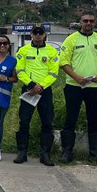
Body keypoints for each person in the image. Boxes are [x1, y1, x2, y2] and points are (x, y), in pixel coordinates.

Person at [58, 12, 97, 166]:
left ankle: (94, 154)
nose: (88, 23)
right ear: (80, 22)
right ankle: (67, 151)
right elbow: (63, 62)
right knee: (70, 118)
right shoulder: (71, 39)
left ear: (95, 23)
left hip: (95, 87)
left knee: (94, 119)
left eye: (91, 21)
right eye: (85, 21)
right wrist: (77, 78)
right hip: (74, 86)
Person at [13, 26, 60, 166]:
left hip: (44, 91)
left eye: (40, 33)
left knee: (47, 122)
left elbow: (54, 72)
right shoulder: (23, 50)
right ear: (31, 34)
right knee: (24, 121)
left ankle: (45, 154)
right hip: (29, 89)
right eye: (35, 33)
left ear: (45, 34)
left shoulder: (52, 51)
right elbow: (20, 70)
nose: (38, 35)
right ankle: (22, 152)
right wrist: (31, 85)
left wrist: (41, 86)